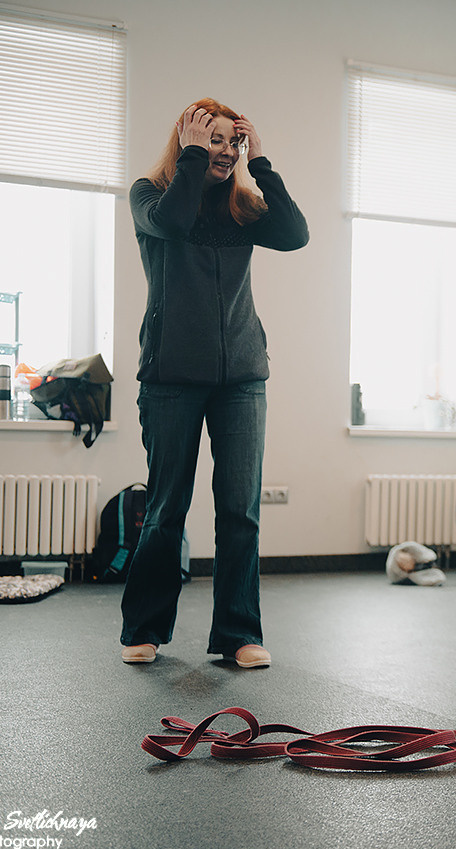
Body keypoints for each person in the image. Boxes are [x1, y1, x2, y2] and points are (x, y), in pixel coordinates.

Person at [120, 99, 308, 668]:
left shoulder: (244, 207)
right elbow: (174, 221)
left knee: (240, 508)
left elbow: (295, 233)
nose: (226, 150)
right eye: (213, 140)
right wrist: (193, 158)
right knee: (166, 505)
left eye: (233, 141)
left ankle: (238, 632)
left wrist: (264, 161)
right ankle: (145, 628)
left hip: (242, 379)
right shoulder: (150, 196)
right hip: (171, 377)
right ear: (187, 141)